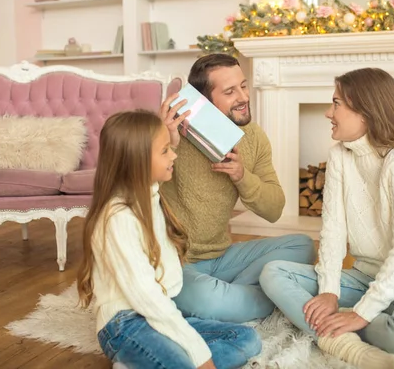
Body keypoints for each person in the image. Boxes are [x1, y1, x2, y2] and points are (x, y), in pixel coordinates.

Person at [259, 67, 394, 369]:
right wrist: (329, 291)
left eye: (336, 103)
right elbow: (332, 231)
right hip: (363, 277)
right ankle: (350, 348)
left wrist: (360, 314)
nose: (328, 112)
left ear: (365, 111)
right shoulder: (339, 156)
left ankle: (339, 321)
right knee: (274, 273)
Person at [76, 109, 261, 369]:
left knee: (246, 338)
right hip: (124, 325)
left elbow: (154, 173)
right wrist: (200, 355)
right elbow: (146, 297)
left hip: (157, 313)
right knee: (188, 361)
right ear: (137, 161)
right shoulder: (117, 219)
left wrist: (168, 139)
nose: (174, 154)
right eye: (165, 151)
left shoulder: (148, 196)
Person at [160, 53, 316, 323]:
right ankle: (269, 296)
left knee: (303, 246)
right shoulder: (171, 134)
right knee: (206, 298)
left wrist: (242, 176)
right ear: (204, 103)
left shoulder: (253, 137)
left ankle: (232, 299)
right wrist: (168, 143)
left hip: (222, 257)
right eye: (230, 91)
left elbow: (275, 208)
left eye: (244, 86)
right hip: (177, 262)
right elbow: (135, 193)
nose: (243, 97)